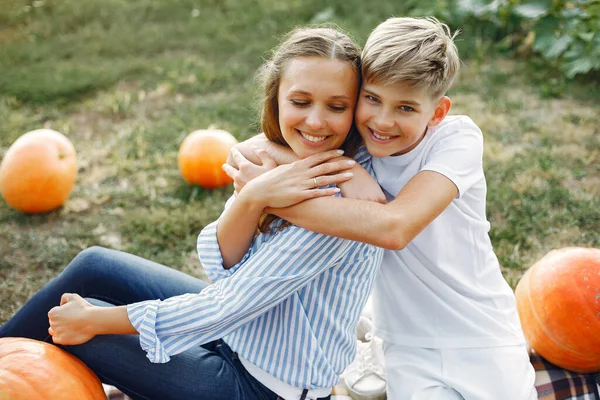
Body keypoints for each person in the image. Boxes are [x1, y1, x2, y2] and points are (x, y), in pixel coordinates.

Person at [0, 26, 385, 400]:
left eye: (336, 107)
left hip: (260, 387)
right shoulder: (280, 165)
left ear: (356, 110)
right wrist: (254, 197)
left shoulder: (340, 212)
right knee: (95, 265)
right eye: (300, 102)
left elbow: (223, 304)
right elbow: (222, 263)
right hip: (239, 334)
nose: (316, 121)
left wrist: (93, 321)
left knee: (81, 322)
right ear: (277, 98)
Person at [224, 17, 538, 400]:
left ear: (437, 112)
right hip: (405, 343)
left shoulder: (456, 139)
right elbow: (244, 149)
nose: (383, 121)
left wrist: (267, 196)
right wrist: (348, 166)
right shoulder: (352, 137)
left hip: (480, 333)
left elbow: (394, 228)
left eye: (406, 108)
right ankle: (368, 331)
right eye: (372, 99)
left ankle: (365, 326)